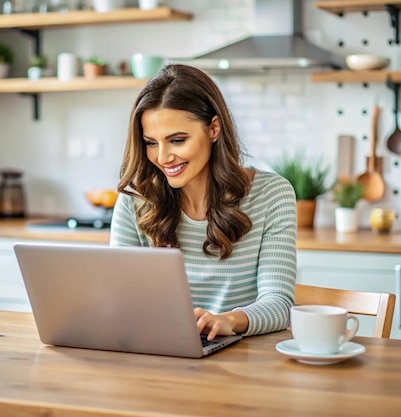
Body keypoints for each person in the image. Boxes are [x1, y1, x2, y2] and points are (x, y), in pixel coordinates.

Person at [109, 64, 297, 340]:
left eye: (177, 140)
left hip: (242, 360)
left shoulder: (271, 195)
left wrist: (227, 321)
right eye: (151, 143)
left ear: (213, 129)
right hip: (159, 355)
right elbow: (119, 299)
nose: (162, 157)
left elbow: (279, 306)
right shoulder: (135, 201)